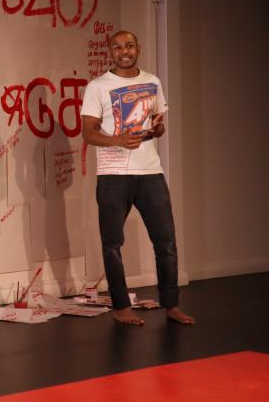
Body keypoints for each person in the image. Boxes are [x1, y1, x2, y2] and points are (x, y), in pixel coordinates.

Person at [80, 30, 194, 326]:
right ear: (110, 51)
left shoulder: (152, 81)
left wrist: (157, 130)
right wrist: (118, 139)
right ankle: (121, 307)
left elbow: (158, 127)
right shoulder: (98, 87)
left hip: (149, 171)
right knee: (113, 242)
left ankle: (171, 304)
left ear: (138, 48)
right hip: (113, 175)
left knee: (165, 240)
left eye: (129, 45)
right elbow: (89, 133)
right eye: (117, 47)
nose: (124, 51)